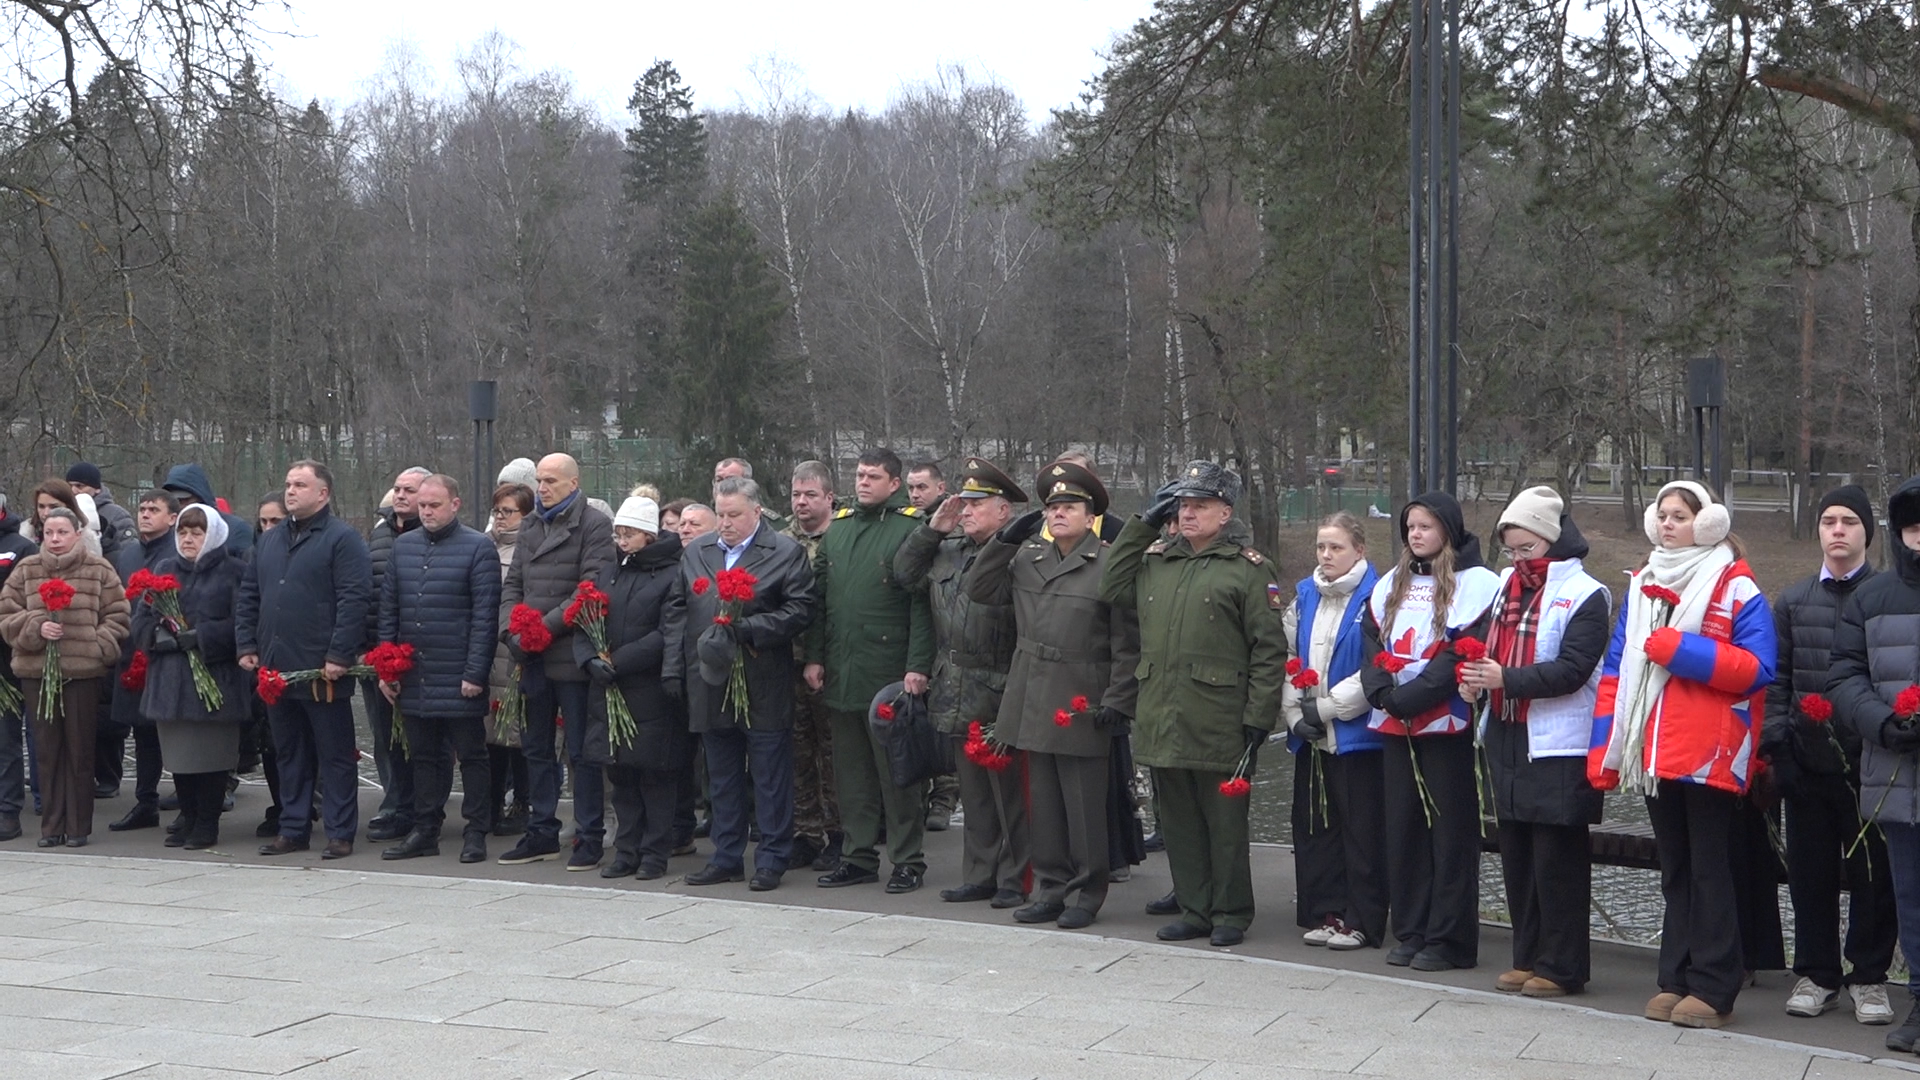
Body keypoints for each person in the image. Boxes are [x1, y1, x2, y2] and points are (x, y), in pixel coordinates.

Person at [1590, 480, 1775, 1029]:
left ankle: (1714, 985)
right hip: (1652, 749)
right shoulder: (1642, 583)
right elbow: (1617, 670)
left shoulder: (1737, 586)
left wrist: (1681, 650)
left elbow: (1758, 668)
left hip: (1710, 750)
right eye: (1664, 515)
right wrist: (1606, 749)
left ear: (1708, 523)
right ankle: (1675, 977)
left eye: (1680, 516)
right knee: (1676, 869)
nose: (1669, 524)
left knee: (1710, 870)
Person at [1102, 460, 1287, 947]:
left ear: (1225, 513)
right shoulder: (1157, 560)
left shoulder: (1248, 569)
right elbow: (1110, 585)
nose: (1187, 513)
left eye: (1200, 505)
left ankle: (1230, 912)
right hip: (1163, 711)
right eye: (1182, 505)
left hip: (1220, 716)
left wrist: (1259, 716)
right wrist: (1144, 523)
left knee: (1224, 825)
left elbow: (1268, 650)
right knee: (1179, 822)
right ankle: (1194, 908)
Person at [966, 459, 1137, 928]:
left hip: (1082, 694)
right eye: (1052, 507)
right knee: (1043, 804)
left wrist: (1119, 699)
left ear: (1091, 517)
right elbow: (980, 589)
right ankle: (1050, 888)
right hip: (1033, 690)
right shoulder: (1028, 558)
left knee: (1083, 806)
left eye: (1069, 507)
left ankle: (1086, 893)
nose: (1058, 513)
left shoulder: (1108, 563)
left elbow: (1127, 641)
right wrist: (1004, 541)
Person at [1458, 487, 1610, 997]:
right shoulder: (1506, 585)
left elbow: (1573, 669)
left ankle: (1563, 965)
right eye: (1511, 549)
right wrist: (1475, 679)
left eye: (1528, 547)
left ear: (1551, 539)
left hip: (1559, 742)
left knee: (1556, 858)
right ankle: (1526, 956)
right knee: (1518, 852)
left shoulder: (1587, 593)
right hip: (1507, 730)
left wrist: (1505, 679)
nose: (1518, 558)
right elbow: (1487, 646)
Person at [1765, 485, 1897, 1025]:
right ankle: (1817, 975)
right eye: (1828, 521)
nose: (1837, 530)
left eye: (1849, 521)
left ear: (1867, 532)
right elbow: (1778, 682)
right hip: (1809, 765)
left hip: (1872, 769)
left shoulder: (1887, 597)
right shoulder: (1795, 601)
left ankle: (1868, 976)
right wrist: (1780, 749)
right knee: (1810, 877)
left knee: (1875, 879)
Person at [1360, 490, 1501, 973]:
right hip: (1395, 722)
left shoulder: (1479, 583)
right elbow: (1371, 640)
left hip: (1446, 723)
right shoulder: (1391, 582)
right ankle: (1412, 929)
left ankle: (1449, 938)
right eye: (1410, 527)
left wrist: (1414, 696)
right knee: (1404, 829)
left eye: (1425, 526)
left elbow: (1464, 648)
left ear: (1448, 529)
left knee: (1449, 834)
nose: (1415, 535)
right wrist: (1382, 691)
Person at [670, 476, 816, 891]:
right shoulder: (698, 552)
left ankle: (771, 857)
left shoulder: (783, 552)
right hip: (710, 678)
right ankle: (726, 856)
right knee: (722, 775)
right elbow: (679, 610)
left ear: (756, 511)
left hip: (762, 677)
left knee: (769, 775)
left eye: (734, 515)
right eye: (720, 514)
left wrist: (747, 628)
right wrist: (679, 666)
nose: (725, 523)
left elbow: (801, 609)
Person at [895, 457, 1025, 908]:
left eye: (976, 504)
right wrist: (932, 530)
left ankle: (1015, 877)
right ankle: (979, 874)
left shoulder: (1019, 553)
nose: (965, 511)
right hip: (955, 684)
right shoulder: (948, 548)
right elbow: (904, 574)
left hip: (1000, 680)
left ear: (1003, 511)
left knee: (1009, 792)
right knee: (974, 792)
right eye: (963, 503)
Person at [803, 448, 934, 893]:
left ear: (894, 484)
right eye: (859, 475)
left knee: (896, 774)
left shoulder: (909, 528)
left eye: (873, 477)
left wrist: (918, 665)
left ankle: (908, 860)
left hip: (889, 670)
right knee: (851, 774)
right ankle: (857, 855)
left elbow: (920, 605)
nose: (863, 482)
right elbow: (820, 601)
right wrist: (815, 656)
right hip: (843, 667)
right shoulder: (838, 529)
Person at [236, 460, 373, 860]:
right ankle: (293, 827)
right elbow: (250, 595)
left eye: (300, 484)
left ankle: (340, 831)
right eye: (288, 484)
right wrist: (247, 644)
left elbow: (354, 600)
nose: (290, 491)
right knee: (288, 752)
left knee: (334, 754)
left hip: (321, 668)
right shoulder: (271, 540)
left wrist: (340, 653)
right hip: (276, 665)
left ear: (323, 493)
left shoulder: (342, 540)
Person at [1832, 478, 1920, 1052]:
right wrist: (1883, 723)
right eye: (1914, 529)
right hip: (1897, 774)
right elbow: (1844, 675)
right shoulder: (1872, 598)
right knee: (1911, 897)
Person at [496, 453, 616, 869]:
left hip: (570, 655)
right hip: (530, 656)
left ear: (573, 483)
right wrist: (511, 631)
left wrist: (541, 630)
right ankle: (541, 831)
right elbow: (513, 584)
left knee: (581, 752)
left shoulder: (594, 525)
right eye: (540, 481)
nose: (542, 488)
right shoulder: (531, 524)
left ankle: (589, 835)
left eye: (550, 481)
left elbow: (589, 589)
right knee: (535, 748)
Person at [375, 475, 499, 863]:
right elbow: (389, 611)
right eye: (423, 506)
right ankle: (425, 828)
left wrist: (475, 673)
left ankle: (476, 830)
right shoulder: (403, 547)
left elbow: (485, 617)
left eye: (434, 506)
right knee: (423, 756)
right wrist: (387, 668)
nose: (426, 512)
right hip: (415, 672)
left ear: (454, 505)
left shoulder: (478, 547)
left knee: (472, 756)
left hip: (459, 672)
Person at [1280, 512, 1386, 952]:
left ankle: (1362, 919)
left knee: (1361, 831)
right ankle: (1327, 911)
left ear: (1359, 550)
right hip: (1311, 730)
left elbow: (1374, 666)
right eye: (1321, 546)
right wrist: (1293, 713)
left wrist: (1326, 708)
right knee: (1315, 827)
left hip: (1356, 734)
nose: (1326, 555)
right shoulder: (1306, 594)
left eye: (1336, 547)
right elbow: (1290, 655)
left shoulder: (1377, 597)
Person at [0, 507, 129, 847]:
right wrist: (35, 627)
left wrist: (96, 645)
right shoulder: (27, 569)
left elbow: (118, 615)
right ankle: (51, 827)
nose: (55, 539)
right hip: (37, 673)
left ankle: (77, 826)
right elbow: (7, 613)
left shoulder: (98, 569)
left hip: (81, 675)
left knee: (80, 750)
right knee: (47, 751)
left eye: (62, 532)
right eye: (49, 533)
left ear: (77, 534)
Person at [131, 504, 250, 850]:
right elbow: (141, 616)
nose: (188, 539)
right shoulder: (165, 568)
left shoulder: (234, 571)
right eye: (183, 532)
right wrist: (157, 636)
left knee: (211, 758)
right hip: (170, 680)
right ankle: (189, 816)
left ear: (212, 535)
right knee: (180, 757)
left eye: (196, 533)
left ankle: (207, 823)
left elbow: (243, 623)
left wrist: (202, 637)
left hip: (216, 680)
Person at [584, 497, 687, 880]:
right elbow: (586, 617)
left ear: (649, 535)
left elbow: (667, 632)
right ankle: (626, 852)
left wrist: (619, 661)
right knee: (621, 776)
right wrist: (589, 659)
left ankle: (654, 854)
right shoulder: (609, 571)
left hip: (649, 689)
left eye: (629, 534)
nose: (622, 541)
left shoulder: (671, 573)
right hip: (608, 688)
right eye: (618, 534)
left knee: (654, 776)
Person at [103, 489, 180, 832]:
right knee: (142, 731)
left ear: (172, 517)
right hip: (132, 650)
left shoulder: (177, 552)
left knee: (172, 731)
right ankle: (145, 801)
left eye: (154, 509)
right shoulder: (129, 553)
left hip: (166, 652)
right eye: (143, 508)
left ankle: (188, 800)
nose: (145, 514)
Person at [363, 466, 429, 844]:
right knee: (385, 735)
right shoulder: (379, 534)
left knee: (422, 739)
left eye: (410, 490)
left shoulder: (434, 536)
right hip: (378, 653)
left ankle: (423, 807)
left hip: (421, 655)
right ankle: (394, 803)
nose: (401, 495)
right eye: (397, 488)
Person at [784, 460, 842, 870]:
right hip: (788, 660)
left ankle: (840, 832)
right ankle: (806, 832)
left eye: (810, 495)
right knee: (797, 750)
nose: (801, 502)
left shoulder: (842, 536)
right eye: (796, 495)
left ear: (829, 498)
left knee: (834, 752)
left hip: (832, 662)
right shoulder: (780, 541)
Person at [485, 483, 534, 837]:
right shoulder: (484, 546)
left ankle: (522, 804)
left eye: (508, 511)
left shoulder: (528, 549)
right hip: (486, 653)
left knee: (518, 735)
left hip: (513, 651)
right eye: (497, 511)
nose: (500, 518)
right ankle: (490, 805)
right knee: (490, 737)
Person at [0, 492, 36, 841]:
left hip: (6, 660)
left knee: (5, 738)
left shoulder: (19, 548)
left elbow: (24, 602)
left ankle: (7, 810)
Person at [159, 463, 251, 556]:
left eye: (184, 500)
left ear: (201, 498)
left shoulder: (236, 529)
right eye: (174, 501)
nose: (179, 506)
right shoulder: (165, 530)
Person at [64, 463, 133, 560]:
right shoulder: (61, 512)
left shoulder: (117, 515)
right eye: (69, 486)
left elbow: (128, 552)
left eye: (79, 486)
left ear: (97, 489)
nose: (73, 490)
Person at [25, 479, 102, 557]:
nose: (46, 513)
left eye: (54, 507)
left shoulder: (88, 544)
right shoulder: (25, 538)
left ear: (69, 507)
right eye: (41, 506)